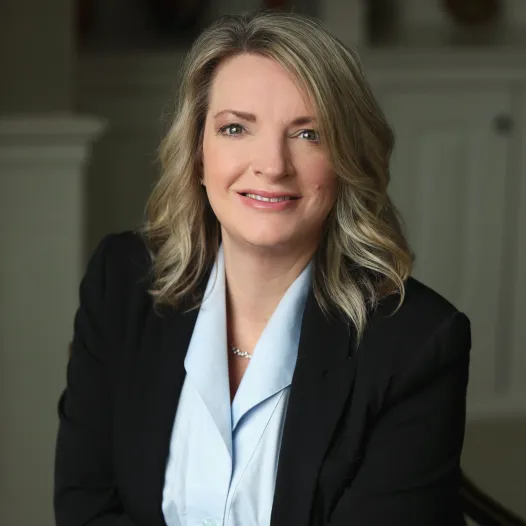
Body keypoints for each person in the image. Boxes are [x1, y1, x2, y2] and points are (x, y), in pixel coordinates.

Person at [53, 10, 471, 526]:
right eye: (235, 128)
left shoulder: (417, 342)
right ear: (198, 154)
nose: (272, 164)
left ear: (346, 161)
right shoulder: (120, 281)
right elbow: (85, 506)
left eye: (308, 134)